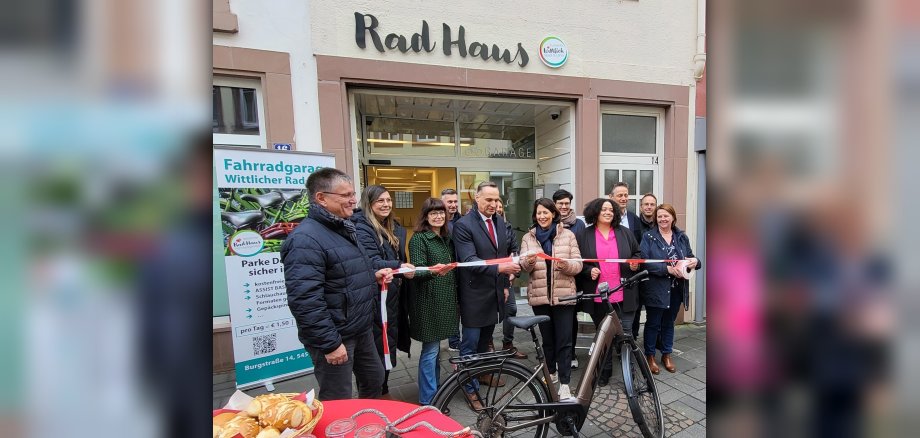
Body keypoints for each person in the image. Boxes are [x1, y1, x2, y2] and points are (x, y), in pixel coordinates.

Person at [281, 168, 394, 400]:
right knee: (337, 397)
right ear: (321, 198)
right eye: (346, 195)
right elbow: (305, 300)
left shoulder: (345, 227)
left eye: (353, 194)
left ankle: (368, 427)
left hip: (360, 328)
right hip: (336, 336)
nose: (353, 200)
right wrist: (330, 344)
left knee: (374, 379)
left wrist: (373, 275)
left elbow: (344, 272)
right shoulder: (305, 239)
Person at [452, 181, 521, 394]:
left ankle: (481, 374)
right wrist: (502, 268)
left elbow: (503, 253)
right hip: (473, 295)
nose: (493, 204)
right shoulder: (464, 225)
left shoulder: (499, 222)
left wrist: (505, 282)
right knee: (470, 344)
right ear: (477, 198)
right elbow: (470, 260)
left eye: (496, 200)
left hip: (495, 292)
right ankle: (469, 389)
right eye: (488, 199)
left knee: (485, 342)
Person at [351, 185, 415, 396]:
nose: (386, 204)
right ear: (369, 204)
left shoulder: (394, 227)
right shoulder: (361, 227)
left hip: (391, 299)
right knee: (374, 352)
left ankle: (383, 390)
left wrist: (401, 268)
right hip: (373, 301)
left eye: (388, 200)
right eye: (381, 201)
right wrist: (399, 266)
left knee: (388, 344)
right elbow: (371, 261)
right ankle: (372, 396)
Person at [520, 199, 583, 401]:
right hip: (540, 297)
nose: (542, 216)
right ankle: (551, 372)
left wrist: (566, 266)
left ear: (553, 214)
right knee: (547, 340)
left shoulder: (568, 235)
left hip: (564, 296)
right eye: (539, 213)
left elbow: (578, 264)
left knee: (564, 340)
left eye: (546, 212)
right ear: (535, 215)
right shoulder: (528, 238)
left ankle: (565, 383)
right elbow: (524, 266)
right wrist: (527, 262)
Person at [575, 198, 641, 386]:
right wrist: (588, 271)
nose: (608, 212)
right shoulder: (584, 235)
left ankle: (631, 371)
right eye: (604, 209)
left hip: (624, 293)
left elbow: (637, 253)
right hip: (599, 295)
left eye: (611, 210)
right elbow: (578, 261)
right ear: (595, 212)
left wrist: (635, 263)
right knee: (603, 335)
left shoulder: (625, 233)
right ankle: (605, 371)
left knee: (626, 335)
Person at [407, 198, 459, 405]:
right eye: (433, 213)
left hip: (443, 301)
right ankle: (427, 401)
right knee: (430, 351)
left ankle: (434, 391)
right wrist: (433, 271)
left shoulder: (446, 237)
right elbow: (416, 271)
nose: (438, 216)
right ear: (425, 216)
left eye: (441, 212)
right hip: (428, 302)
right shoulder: (420, 239)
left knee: (435, 350)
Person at [639, 203, 700, 374]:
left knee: (668, 324)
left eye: (666, 216)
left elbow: (690, 258)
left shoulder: (681, 237)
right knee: (653, 324)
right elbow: (644, 262)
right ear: (656, 219)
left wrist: (695, 261)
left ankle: (666, 354)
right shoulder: (649, 237)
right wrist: (666, 269)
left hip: (676, 289)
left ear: (673, 217)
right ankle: (650, 356)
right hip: (656, 288)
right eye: (659, 216)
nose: (663, 219)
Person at [552, 189, 587, 369]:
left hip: (573, 278)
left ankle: (570, 353)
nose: (564, 206)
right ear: (555, 205)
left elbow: (582, 250)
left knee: (570, 319)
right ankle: (554, 355)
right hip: (553, 280)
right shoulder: (548, 221)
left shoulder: (579, 225)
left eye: (567, 203)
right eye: (560, 203)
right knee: (552, 320)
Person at [496, 198, 527, 359]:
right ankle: (487, 345)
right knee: (489, 313)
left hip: (506, 276)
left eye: (501, 206)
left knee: (511, 309)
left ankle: (508, 344)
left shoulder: (508, 227)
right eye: (496, 206)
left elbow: (515, 251)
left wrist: (514, 272)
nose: (498, 209)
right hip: (490, 275)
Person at [632, 192, 659, 342]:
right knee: (635, 309)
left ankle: (653, 343)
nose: (649, 207)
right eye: (646, 204)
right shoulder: (634, 223)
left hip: (657, 274)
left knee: (654, 310)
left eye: (652, 204)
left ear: (655, 207)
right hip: (638, 273)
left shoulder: (661, 222)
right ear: (641, 207)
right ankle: (633, 340)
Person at [440, 188, 463, 352]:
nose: (453, 205)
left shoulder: (463, 220)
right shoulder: (438, 222)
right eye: (450, 202)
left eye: (455, 201)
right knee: (451, 307)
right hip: (446, 271)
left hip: (462, 269)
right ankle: (454, 341)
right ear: (442, 203)